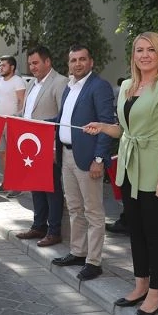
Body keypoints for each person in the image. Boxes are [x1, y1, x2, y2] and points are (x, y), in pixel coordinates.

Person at [84, 32, 158, 315]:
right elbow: (126, 130)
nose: (144, 55)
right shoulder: (128, 85)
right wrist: (104, 127)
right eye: (139, 50)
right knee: (136, 230)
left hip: (155, 169)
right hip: (129, 167)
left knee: (155, 233)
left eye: (150, 50)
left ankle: (156, 293)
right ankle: (140, 284)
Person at [51, 44, 115, 281]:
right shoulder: (69, 87)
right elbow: (62, 120)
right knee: (75, 208)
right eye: (73, 60)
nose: (77, 64)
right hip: (67, 155)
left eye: (82, 59)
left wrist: (99, 159)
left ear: (91, 62)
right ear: (68, 64)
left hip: (88, 159)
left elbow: (107, 125)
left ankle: (94, 261)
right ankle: (78, 252)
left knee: (93, 212)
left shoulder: (100, 87)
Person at [14, 45, 68, 244]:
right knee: (35, 186)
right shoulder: (31, 84)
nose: (32, 67)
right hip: (31, 145)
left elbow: (64, 116)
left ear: (48, 62)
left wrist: (55, 147)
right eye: (30, 64)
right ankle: (38, 227)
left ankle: (54, 231)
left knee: (51, 189)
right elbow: (26, 113)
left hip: (49, 145)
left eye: (36, 63)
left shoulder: (60, 82)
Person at [0, 55, 27, 195]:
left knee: (14, 155)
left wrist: (17, 116)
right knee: (3, 154)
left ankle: (17, 185)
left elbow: (22, 101)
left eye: (4, 65)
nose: (1, 67)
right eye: (1, 65)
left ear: (12, 67)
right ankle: (7, 182)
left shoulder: (18, 81)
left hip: (12, 123)